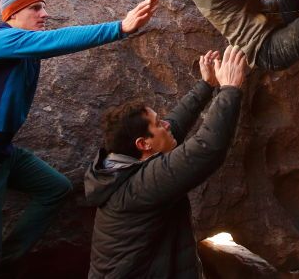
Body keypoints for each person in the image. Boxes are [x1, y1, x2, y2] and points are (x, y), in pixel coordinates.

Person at [0, 0, 159, 279]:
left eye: (44, 7)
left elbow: (52, 42)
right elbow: (59, 40)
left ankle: (5, 262)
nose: (45, 14)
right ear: (13, 14)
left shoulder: (25, 50)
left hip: (0, 154)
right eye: (36, 8)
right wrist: (120, 27)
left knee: (55, 188)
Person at [84, 45, 248, 278]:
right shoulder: (138, 188)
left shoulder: (122, 168)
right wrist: (230, 89)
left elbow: (174, 128)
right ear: (143, 144)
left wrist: (206, 85)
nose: (167, 124)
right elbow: (206, 148)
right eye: (158, 123)